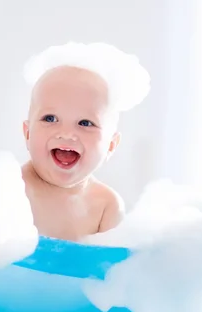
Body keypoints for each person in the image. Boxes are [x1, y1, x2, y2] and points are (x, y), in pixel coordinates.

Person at [20, 42, 150, 242]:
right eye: (50, 119)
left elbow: (112, 271)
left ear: (111, 146)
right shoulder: (11, 188)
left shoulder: (106, 207)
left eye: (85, 123)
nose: (66, 133)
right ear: (27, 134)